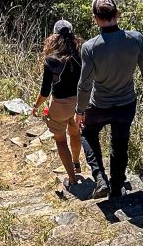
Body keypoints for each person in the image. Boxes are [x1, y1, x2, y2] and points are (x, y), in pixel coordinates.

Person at [76, 0, 143, 199]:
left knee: (87, 133)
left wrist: (79, 111)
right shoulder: (135, 39)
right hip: (126, 103)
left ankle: (100, 178)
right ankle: (116, 186)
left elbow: (85, 84)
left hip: (99, 105)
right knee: (120, 143)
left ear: (95, 18)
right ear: (118, 14)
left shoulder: (90, 47)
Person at [32, 19, 84, 189]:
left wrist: (36, 106)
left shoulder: (51, 60)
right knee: (75, 133)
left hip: (60, 104)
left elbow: (45, 91)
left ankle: (72, 179)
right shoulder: (81, 54)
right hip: (79, 103)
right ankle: (76, 164)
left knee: (60, 140)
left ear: (54, 35)